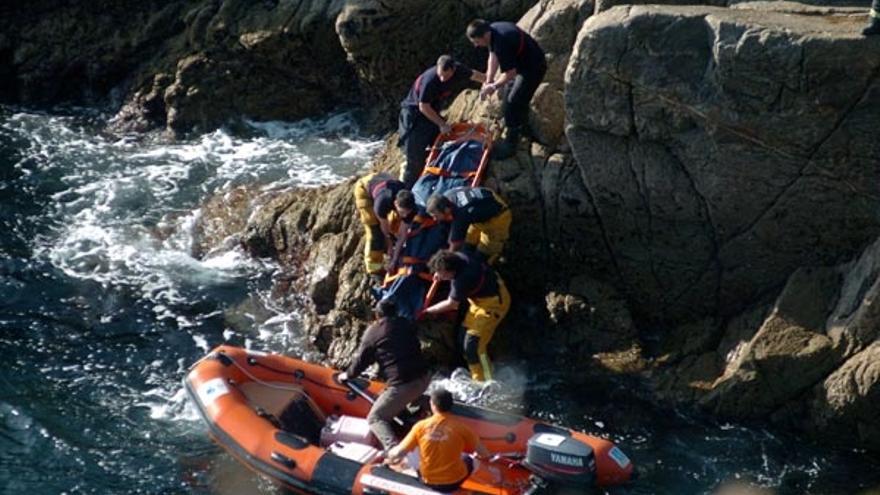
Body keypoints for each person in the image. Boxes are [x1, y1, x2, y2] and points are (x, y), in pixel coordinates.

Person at [338, 299, 431, 452]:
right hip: (425, 377)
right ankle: (419, 409)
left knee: (375, 418)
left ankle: (393, 450)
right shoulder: (405, 323)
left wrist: (348, 375)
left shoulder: (373, 333)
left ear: (377, 314)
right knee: (392, 396)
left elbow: (361, 361)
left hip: (405, 385)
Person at [398, 55, 485, 188]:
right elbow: (423, 106)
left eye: (446, 76)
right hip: (414, 114)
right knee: (414, 158)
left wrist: (492, 82)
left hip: (432, 110)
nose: (443, 79)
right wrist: (442, 124)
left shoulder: (459, 69)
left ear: (453, 69)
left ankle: (440, 175)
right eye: (440, 75)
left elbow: (474, 75)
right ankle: (408, 190)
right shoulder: (430, 80)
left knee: (442, 144)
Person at [423, 250, 510, 381]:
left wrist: (427, 311)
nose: (440, 277)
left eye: (442, 274)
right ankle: (476, 374)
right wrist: (438, 274)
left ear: (449, 271)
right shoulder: (458, 257)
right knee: (462, 338)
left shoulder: (461, 281)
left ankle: (486, 382)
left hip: (493, 305)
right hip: (479, 301)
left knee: (474, 348)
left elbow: (451, 304)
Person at [466, 19, 547, 159]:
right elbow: (492, 56)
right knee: (509, 99)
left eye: (476, 41)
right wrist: (489, 79)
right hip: (522, 62)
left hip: (533, 68)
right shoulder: (493, 30)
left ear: (484, 36)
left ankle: (511, 144)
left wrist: (494, 86)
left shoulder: (502, 42)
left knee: (513, 102)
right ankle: (522, 124)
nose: (476, 45)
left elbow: (510, 73)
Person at [386, 388, 490, 493]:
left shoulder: (420, 426)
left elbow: (397, 453)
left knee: (413, 446)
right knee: (470, 458)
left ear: (432, 405)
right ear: (451, 406)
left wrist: (388, 457)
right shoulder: (462, 428)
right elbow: (484, 454)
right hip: (453, 483)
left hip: (426, 480)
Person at [425, 186, 511, 264]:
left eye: (435, 216)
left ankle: (500, 256)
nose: (434, 219)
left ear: (447, 210)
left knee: (483, 255)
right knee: (467, 244)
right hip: (486, 202)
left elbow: (455, 246)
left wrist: (442, 265)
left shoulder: (461, 216)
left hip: (497, 218)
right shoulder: (448, 195)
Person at [353, 172, 406, 280]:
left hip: (382, 180)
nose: (404, 215)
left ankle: (387, 250)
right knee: (375, 233)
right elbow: (384, 231)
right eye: (402, 212)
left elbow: (404, 232)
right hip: (365, 189)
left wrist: (394, 256)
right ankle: (374, 269)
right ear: (395, 204)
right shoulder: (382, 203)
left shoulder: (408, 200)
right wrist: (390, 245)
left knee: (396, 222)